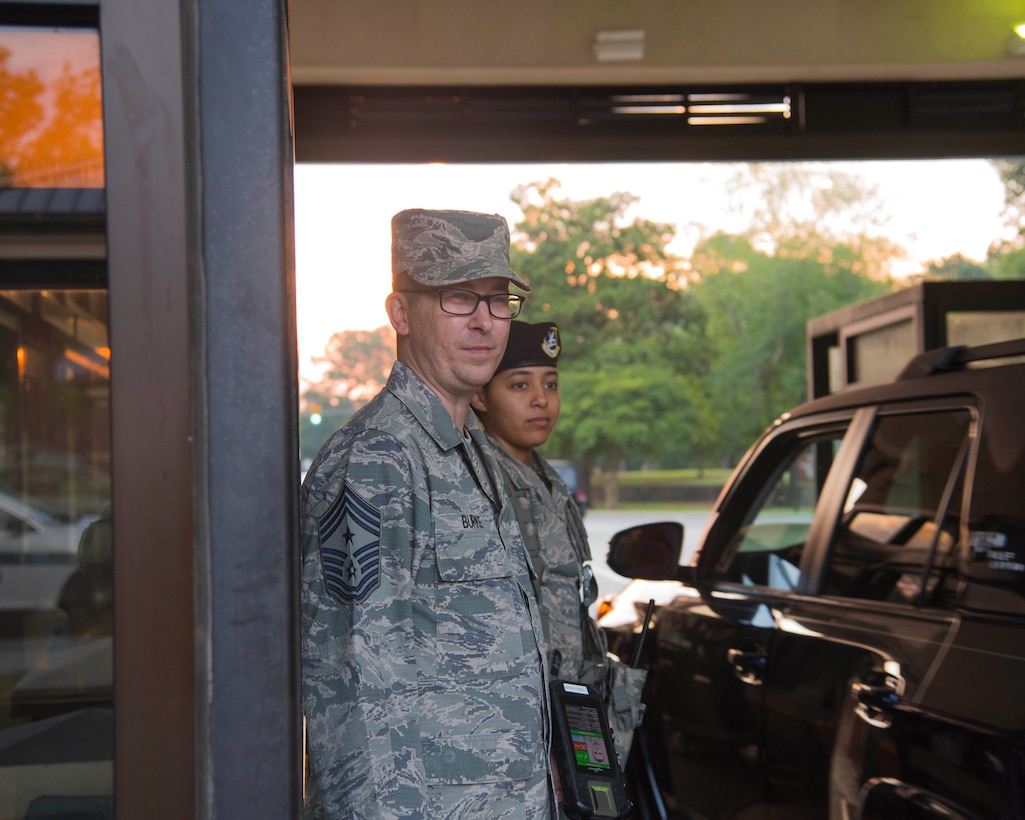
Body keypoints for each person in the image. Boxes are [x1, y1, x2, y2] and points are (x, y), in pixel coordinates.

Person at [300, 209, 555, 819]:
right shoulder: (376, 460)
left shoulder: (471, 452)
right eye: (457, 298)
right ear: (400, 313)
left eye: (498, 300)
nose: (484, 322)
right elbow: (354, 693)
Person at [470, 321, 647, 768]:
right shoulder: (478, 483)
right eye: (519, 384)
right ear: (479, 397)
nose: (540, 399)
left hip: (569, 715)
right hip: (519, 728)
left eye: (550, 383)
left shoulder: (550, 482)